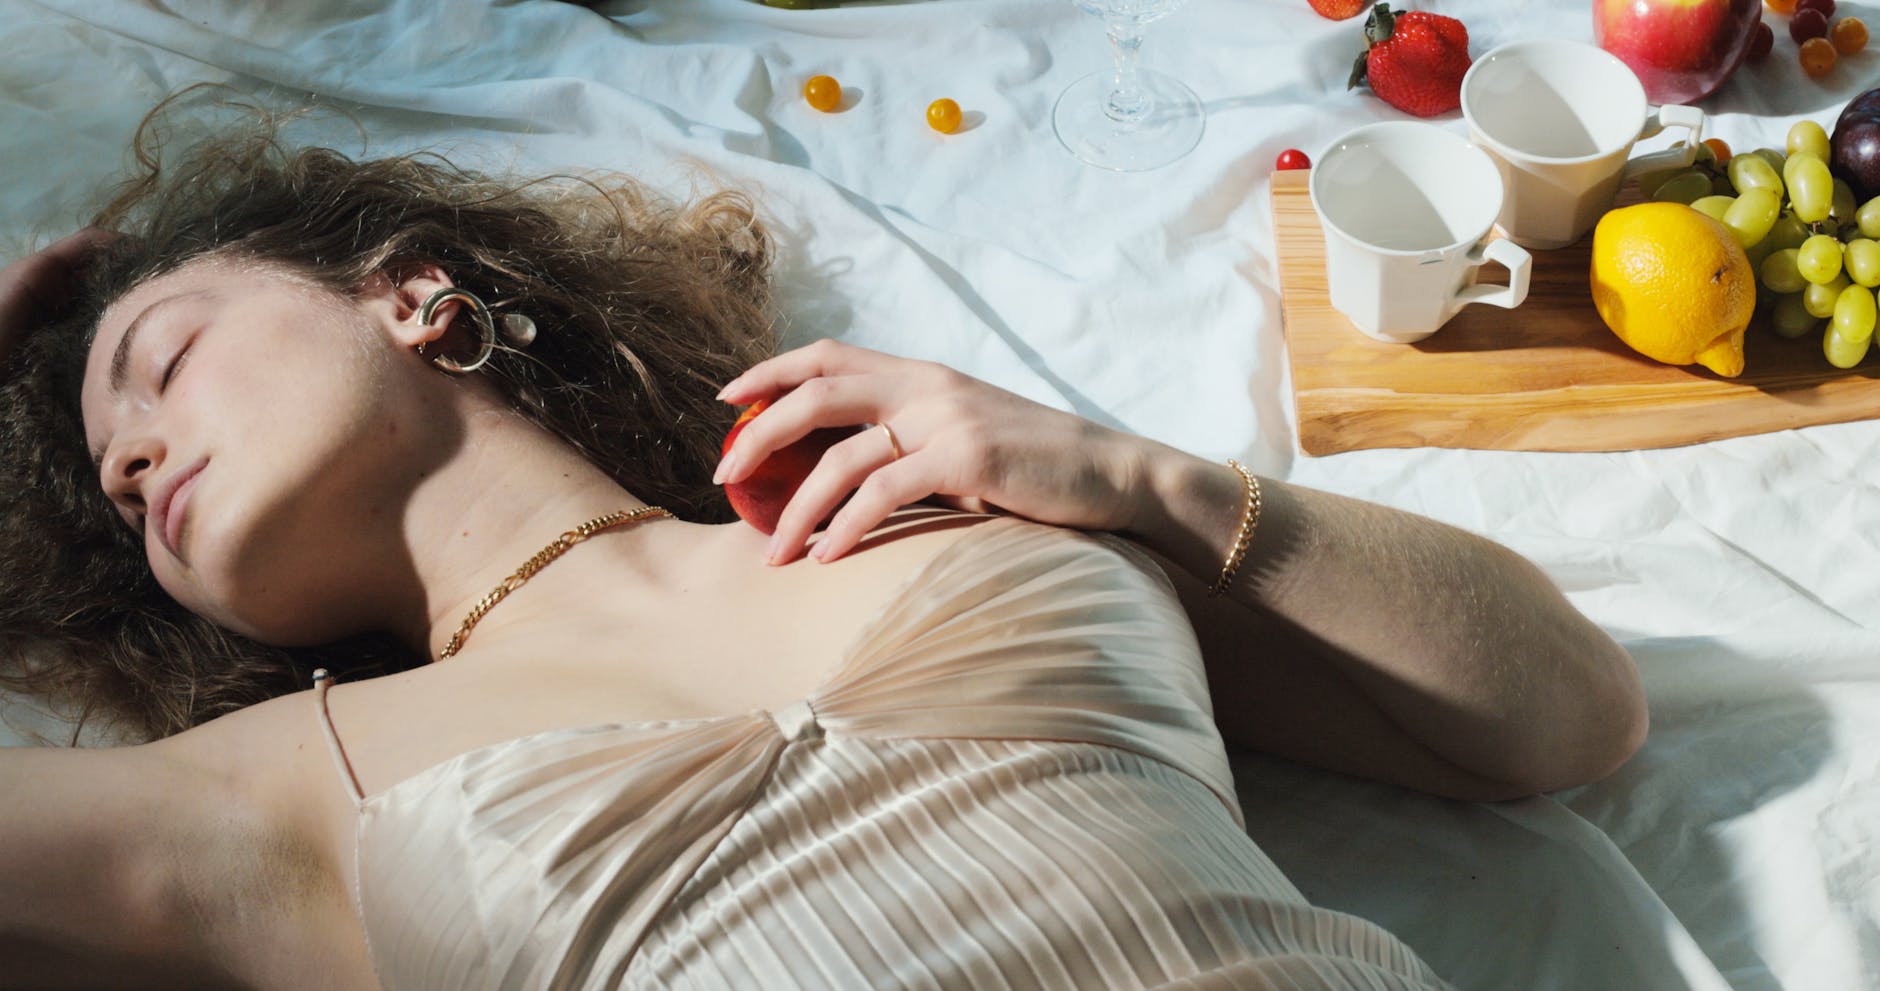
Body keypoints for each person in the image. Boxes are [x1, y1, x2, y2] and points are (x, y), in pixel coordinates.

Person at [0, 115, 1646, 990]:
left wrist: (1133, 474)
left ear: (412, 293)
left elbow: (1565, 719)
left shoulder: (945, 506)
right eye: (111, 477)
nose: (134, 452)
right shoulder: (265, 799)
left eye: (161, 358)